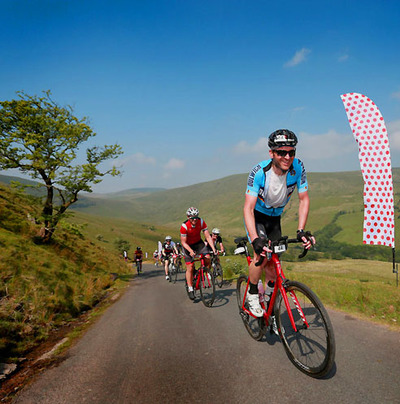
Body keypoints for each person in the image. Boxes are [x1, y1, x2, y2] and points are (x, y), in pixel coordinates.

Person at [243, 129, 315, 318]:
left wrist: (301, 230)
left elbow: (304, 199)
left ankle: (268, 299)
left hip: (275, 219)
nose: (287, 156)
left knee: (274, 266)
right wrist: (256, 239)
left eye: (291, 152)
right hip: (257, 216)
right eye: (281, 152)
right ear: (272, 153)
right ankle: (251, 293)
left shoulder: (298, 167)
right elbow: (248, 209)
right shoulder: (259, 172)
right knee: (261, 256)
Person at [180, 207, 217, 300]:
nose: (195, 220)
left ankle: (205, 273)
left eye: (196, 217)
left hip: (198, 243)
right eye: (192, 218)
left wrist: (213, 248)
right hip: (187, 246)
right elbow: (183, 242)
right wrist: (191, 251)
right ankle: (190, 288)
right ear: (188, 217)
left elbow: (208, 236)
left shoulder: (201, 222)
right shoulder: (184, 226)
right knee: (190, 267)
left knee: (207, 257)